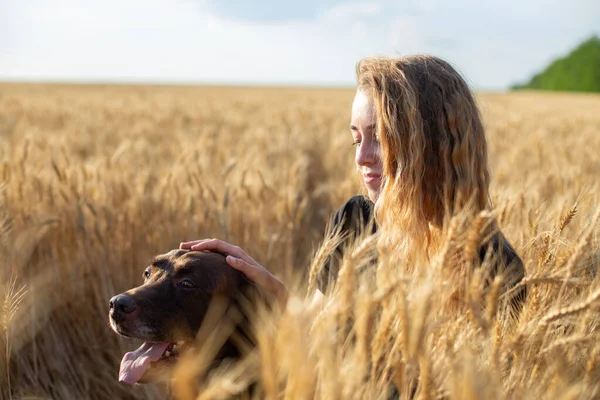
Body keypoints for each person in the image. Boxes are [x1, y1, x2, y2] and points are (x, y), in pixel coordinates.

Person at [180, 55, 526, 311]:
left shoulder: (494, 266)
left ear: (433, 144)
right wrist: (264, 285)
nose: (362, 158)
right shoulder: (356, 220)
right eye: (356, 139)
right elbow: (316, 330)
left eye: (381, 138)